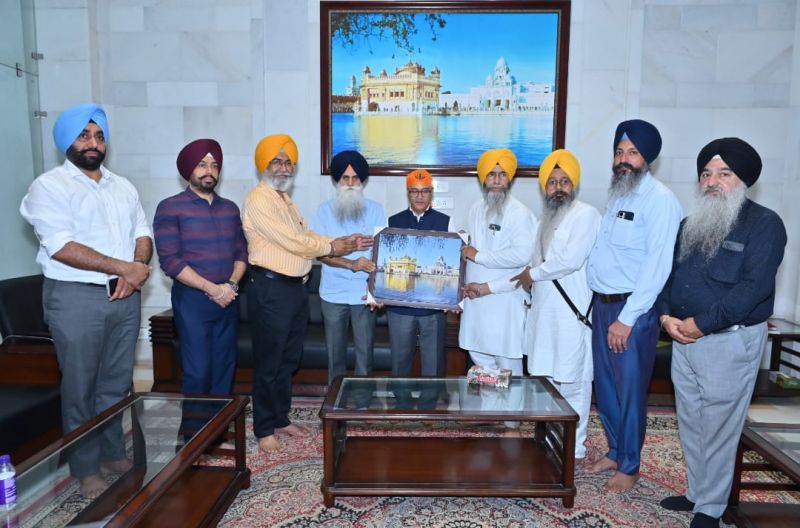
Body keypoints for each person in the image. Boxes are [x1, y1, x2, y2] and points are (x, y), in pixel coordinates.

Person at [19, 103, 153, 498]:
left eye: (98, 136)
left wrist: (136, 267)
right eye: (83, 136)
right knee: (80, 387)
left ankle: (112, 454)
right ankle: (85, 468)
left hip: (123, 295)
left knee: (115, 384)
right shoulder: (49, 187)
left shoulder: (122, 185)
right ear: (66, 141)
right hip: (76, 296)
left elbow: (142, 234)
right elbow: (61, 246)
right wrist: (124, 268)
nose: (93, 144)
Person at [656, 138, 786, 528]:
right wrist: (666, 318)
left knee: (720, 425)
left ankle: (711, 508)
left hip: (729, 340)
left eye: (723, 174)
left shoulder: (765, 224)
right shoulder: (689, 225)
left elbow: (753, 289)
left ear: (743, 180)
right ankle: (697, 491)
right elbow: (668, 279)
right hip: (682, 337)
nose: (712, 182)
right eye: (706, 174)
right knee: (692, 420)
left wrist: (700, 324)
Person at [242, 134, 371, 453]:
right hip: (270, 288)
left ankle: (281, 418)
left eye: (288, 162)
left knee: (288, 360)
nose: (284, 168)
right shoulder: (259, 199)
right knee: (269, 362)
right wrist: (332, 246)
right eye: (277, 161)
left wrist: (344, 243)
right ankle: (263, 428)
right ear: (264, 165)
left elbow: (306, 234)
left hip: (294, 290)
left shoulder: (284, 199)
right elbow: (294, 242)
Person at [585, 119, 683, 492]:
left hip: (633, 313)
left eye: (633, 153)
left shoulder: (660, 201)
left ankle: (630, 465)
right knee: (606, 388)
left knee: (629, 392)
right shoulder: (619, 195)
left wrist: (626, 319)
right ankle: (615, 450)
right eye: (619, 151)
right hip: (604, 307)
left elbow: (657, 268)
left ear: (648, 158)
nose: (624, 159)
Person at [511, 149, 600, 460]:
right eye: (552, 182)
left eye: (564, 181)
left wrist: (530, 274)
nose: (558, 187)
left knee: (573, 381)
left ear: (573, 184)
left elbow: (570, 261)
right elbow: (529, 265)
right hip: (542, 316)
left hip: (570, 315)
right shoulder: (541, 222)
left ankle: (575, 447)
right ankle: (550, 437)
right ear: (544, 187)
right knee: (546, 379)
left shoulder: (586, 215)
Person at [153, 139, 248, 399]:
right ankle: (195, 437)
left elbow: (241, 253)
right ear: (188, 169)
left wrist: (230, 285)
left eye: (215, 165)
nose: (209, 171)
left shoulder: (229, 209)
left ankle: (219, 433)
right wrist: (212, 289)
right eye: (202, 165)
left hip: (228, 299)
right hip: (193, 300)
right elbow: (170, 261)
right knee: (198, 370)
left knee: (224, 368)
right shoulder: (170, 207)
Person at [459, 148, 536, 378]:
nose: (496, 181)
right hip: (476, 305)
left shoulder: (520, 213)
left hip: (505, 307)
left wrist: (478, 255)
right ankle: (487, 415)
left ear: (509, 178)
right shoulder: (475, 208)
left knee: (508, 373)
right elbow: (470, 250)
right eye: (491, 174)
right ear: (483, 178)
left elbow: (522, 256)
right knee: (481, 370)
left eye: (502, 175)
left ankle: (512, 416)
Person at [310, 150, 385, 385]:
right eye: (345, 178)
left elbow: (382, 253)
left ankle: (362, 406)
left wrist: (377, 290)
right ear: (337, 180)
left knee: (365, 356)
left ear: (362, 181)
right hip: (333, 294)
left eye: (355, 178)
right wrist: (350, 258)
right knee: (336, 358)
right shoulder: (323, 212)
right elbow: (320, 253)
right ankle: (335, 408)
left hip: (363, 294)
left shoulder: (376, 210)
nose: (351, 183)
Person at [386, 169, 451, 378]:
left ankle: (430, 407)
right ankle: (400, 406)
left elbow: (454, 260)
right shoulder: (392, 222)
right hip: (400, 308)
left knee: (433, 364)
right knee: (399, 361)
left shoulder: (447, 222)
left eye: (424, 191)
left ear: (431, 193)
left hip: (433, 308)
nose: (420, 196)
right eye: (414, 191)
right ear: (408, 193)